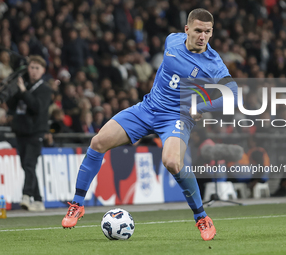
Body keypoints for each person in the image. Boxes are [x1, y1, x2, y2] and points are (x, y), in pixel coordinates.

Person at [62, 8, 238, 241]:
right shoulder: (172, 41)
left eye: (207, 32)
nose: (202, 36)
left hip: (176, 117)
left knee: (172, 162)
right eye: (197, 31)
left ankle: (201, 217)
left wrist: (200, 107)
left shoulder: (213, 64)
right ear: (186, 30)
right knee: (97, 141)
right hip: (147, 108)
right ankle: (77, 204)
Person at [6, 55, 54, 212]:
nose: (33, 71)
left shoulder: (45, 89)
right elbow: (11, 105)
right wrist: (15, 90)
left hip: (36, 131)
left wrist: (24, 92)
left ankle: (26, 196)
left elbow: (37, 107)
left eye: (37, 68)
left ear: (42, 71)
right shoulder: (23, 85)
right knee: (27, 166)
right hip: (21, 131)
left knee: (29, 164)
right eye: (31, 67)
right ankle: (39, 200)